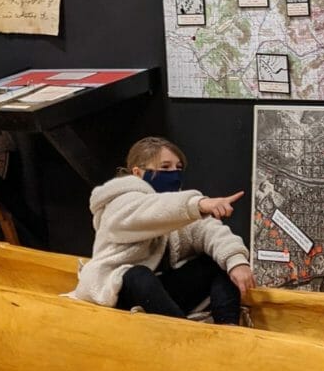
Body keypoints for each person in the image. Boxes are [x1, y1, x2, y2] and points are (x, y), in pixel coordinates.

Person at [70, 136, 256, 325]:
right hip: (115, 293)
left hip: (160, 297)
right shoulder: (119, 203)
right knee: (138, 275)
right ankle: (183, 333)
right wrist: (198, 204)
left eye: (178, 168)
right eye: (165, 167)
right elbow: (151, 211)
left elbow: (211, 232)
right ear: (137, 173)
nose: (174, 173)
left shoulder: (180, 208)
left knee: (217, 261)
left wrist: (236, 261)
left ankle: (229, 328)